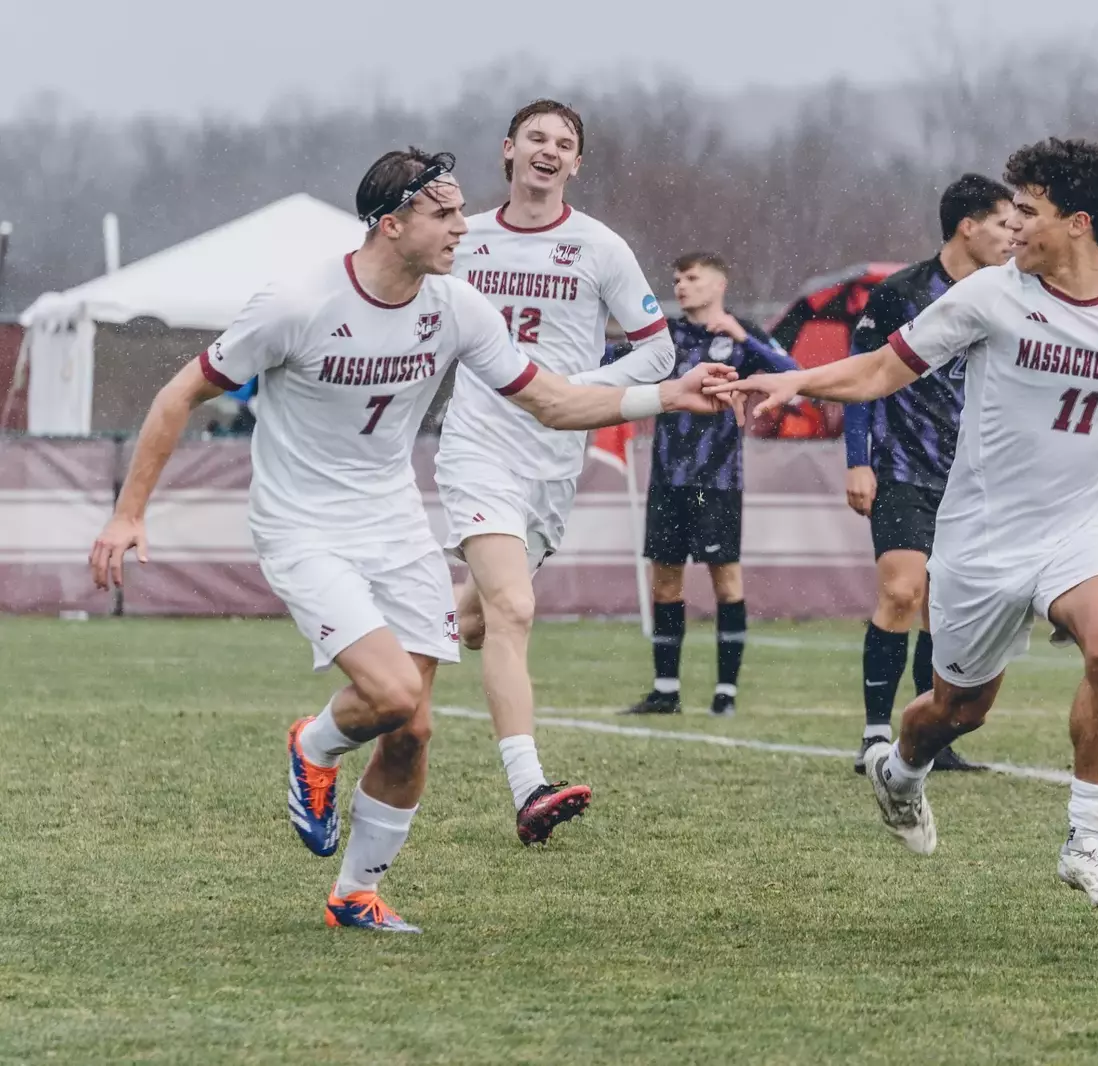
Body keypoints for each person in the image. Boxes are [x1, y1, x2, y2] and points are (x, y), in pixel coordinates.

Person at [87, 149, 734, 933]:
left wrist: (665, 393)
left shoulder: (458, 307)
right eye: (446, 214)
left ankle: (355, 894)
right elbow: (179, 394)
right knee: (391, 696)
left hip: (394, 525)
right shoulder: (298, 302)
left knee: (414, 729)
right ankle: (316, 743)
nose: (466, 227)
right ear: (393, 225)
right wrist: (128, 513)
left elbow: (555, 403)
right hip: (303, 526)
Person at [713, 138, 1098, 910]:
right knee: (956, 711)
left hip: (1079, 528)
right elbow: (878, 372)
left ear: (1078, 223)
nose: (1012, 231)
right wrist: (794, 380)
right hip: (980, 537)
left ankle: (1087, 841)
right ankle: (901, 771)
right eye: (1007, 216)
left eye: (1027, 215)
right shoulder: (988, 298)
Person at [435, 100, 680, 845]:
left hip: (554, 458)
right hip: (477, 447)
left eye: (564, 143)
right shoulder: (463, 239)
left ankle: (363, 661)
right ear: (508, 149)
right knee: (514, 609)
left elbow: (659, 350)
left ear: (577, 164)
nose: (548, 150)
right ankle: (528, 788)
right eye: (536, 138)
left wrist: (581, 391)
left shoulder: (600, 247)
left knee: (475, 620)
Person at [844, 173, 1015, 774]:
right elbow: (862, 375)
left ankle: (928, 739)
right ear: (967, 226)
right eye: (1002, 222)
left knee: (944, 609)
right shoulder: (899, 292)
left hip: (974, 478)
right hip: (901, 467)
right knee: (900, 593)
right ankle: (872, 735)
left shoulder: (1011, 295)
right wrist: (857, 458)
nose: (1013, 233)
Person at [623, 252, 799, 717]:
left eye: (692, 277)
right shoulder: (664, 336)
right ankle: (665, 691)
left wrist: (745, 338)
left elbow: (792, 374)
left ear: (718, 284)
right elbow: (612, 366)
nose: (681, 285)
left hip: (717, 481)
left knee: (726, 580)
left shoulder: (742, 335)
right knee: (664, 581)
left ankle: (726, 693)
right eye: (677, 277)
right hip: (668, 477)